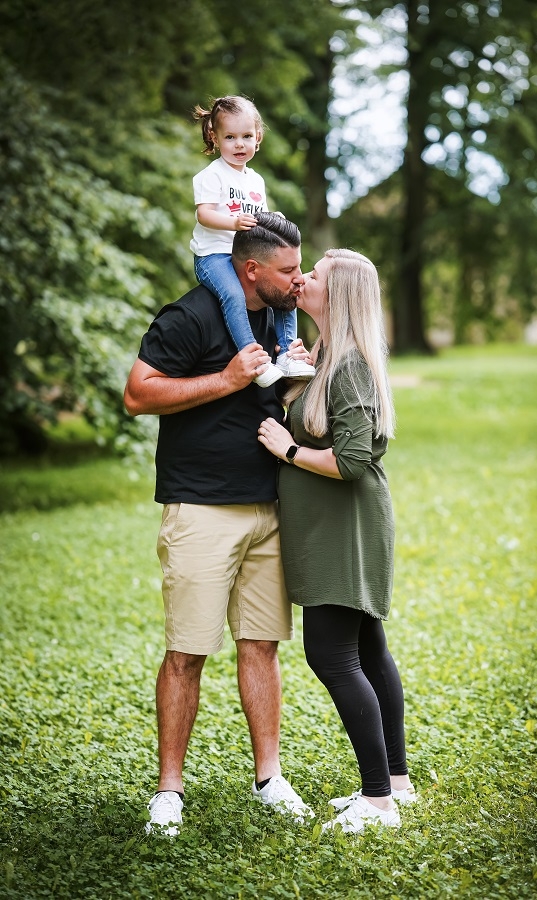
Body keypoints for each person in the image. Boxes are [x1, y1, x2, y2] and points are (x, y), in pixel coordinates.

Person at [124, 212, 314, 836]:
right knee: (187, 653)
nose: (298, 280)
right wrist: (227, 379)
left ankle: (269, 778)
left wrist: (294, 377)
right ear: (250, 269)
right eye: (288, 270)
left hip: (270, 506)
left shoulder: (280, 318)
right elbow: (138, 394)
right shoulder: (191, 315)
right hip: (201, 508)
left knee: (261, 645)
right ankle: (169, 790)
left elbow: (273, 400)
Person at [257, 249, 418, 834]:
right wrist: (293, 383)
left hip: (345, 529)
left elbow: (351, 461)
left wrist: (288, 450)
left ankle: (377, 803)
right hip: (337, 525)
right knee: (369, 649)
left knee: (332, 655)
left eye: (315, 276)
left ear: (340, 294)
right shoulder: (328, 356)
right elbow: (324, 423)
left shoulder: (348, 364)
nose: (302, 279)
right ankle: (395, 782)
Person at [190, 95, 315, 388]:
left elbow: (260, 217)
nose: (239, 144)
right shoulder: (212, 175)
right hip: (214, 255)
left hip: (249, 255)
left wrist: (274, 218)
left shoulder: (255, 180)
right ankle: (255, 360)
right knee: (234, 295)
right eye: (230, 137)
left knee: (285, 288)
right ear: (215, 137)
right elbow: (204, 215)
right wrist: (233, 223)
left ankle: (287, 353)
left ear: (258, 137)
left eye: (246, 136)